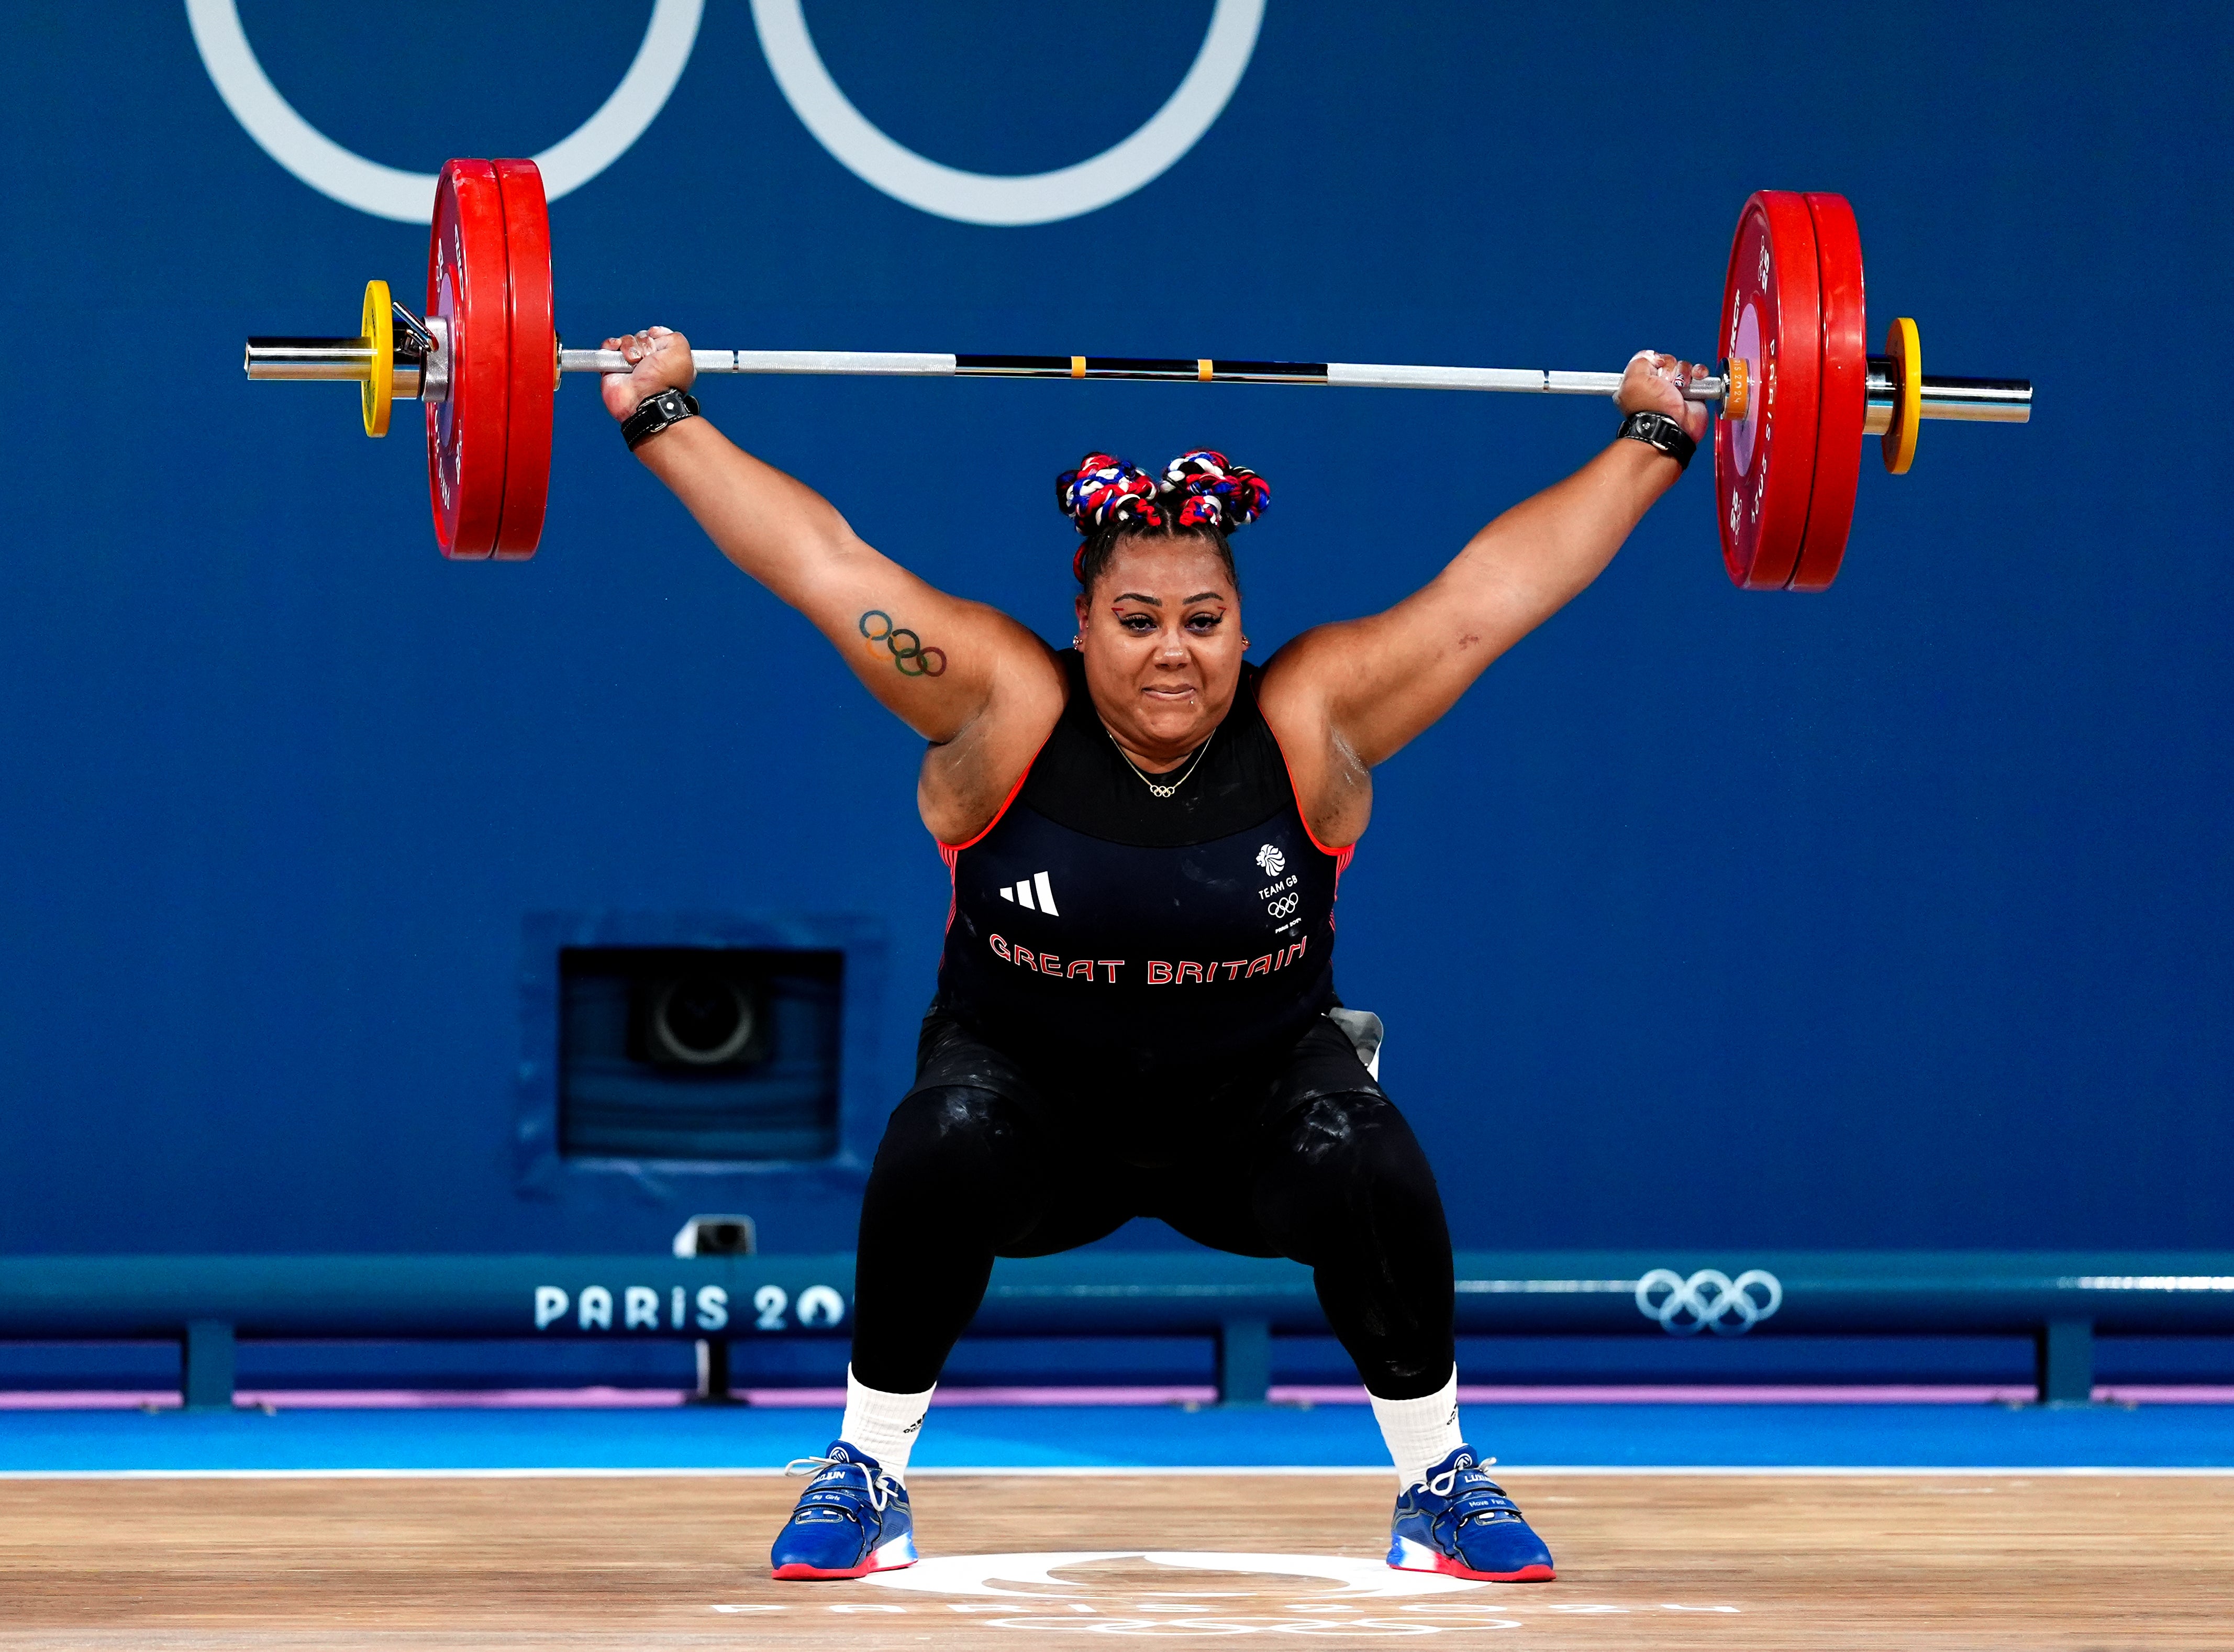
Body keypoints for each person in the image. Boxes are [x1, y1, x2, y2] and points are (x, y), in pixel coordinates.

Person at [600, 328, 1709, 1583]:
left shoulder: (1312, 718)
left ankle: (1436, 1481)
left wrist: (1653, 437)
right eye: (1135, 620)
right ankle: (866, 1473)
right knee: (942, 1133)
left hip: (1254, 1124)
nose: (1171, 650)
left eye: (1202, 619)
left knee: (1367, 1150)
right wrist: (660, 415)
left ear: (1243, 628)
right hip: (1032, 1122)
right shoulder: (999, 705)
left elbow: (1491, 598)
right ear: (1082, 621)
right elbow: (820, 564)